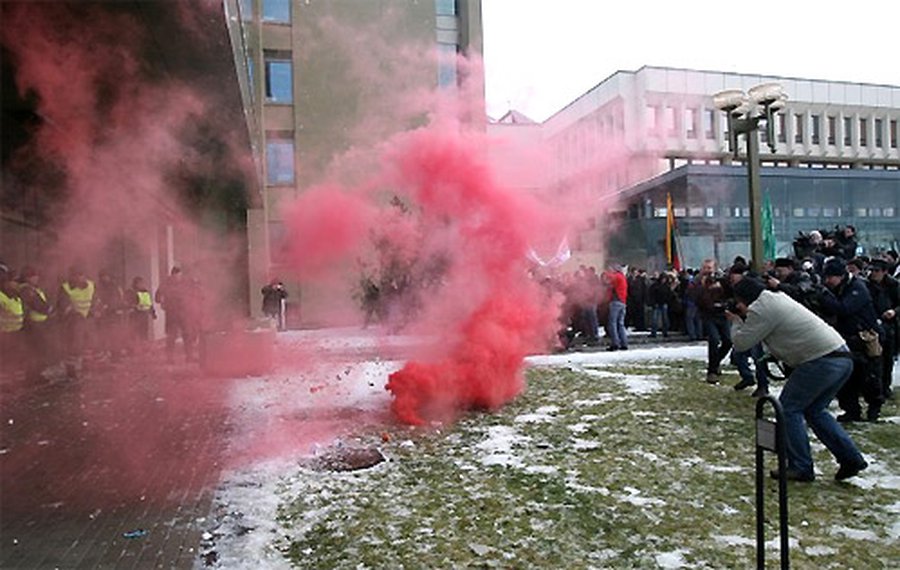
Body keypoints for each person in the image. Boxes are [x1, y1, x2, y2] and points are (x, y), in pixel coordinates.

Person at [727, 277, 868, 482]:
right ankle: (850, 458)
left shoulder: (762, 308)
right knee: (815, 411)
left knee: (788, 409)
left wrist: (736, 321)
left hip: (821, 360)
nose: (737, 305)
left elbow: (741, 343)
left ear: (745, 298)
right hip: (841, 356)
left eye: (738, 301)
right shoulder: (776, 298)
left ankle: (800, 466)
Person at [818, 258, 884, 422]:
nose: (827, 281)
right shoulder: (840, 288)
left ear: (840, 276)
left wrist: (824, 297)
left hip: (864, 338)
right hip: (845, 338)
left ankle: (874, 408)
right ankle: (851, 410)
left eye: (830, 277)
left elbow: (844, 309)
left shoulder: (857, 288)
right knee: (845, 378)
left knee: (868, 377)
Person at [866, 258, 898, 399]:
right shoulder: (866, 285)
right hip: (872, 322)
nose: (873, 273)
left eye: (877, 271)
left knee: (887, 357)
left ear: (884, 272)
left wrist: (894, 311)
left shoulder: (893, 285)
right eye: (872, 270)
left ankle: (885, 386)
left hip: (889, 323)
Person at [57, 265, 96, 379]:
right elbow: (63, 305)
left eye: (81, 275)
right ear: (72, 276)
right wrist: (72, 314)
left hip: (88, 318)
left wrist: (95, 310)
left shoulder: (91, 285)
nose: (79, 278)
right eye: (76, 275)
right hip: (73, 321)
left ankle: (87, 366)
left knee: (89, 343)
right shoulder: (66, 288)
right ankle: (71, 370)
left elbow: (95, 299)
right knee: (74, 345)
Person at [697, 258, 731, 383]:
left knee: (728, 341)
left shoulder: (722, 280)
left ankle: (715, 363)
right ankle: (712, 371)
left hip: (722, 314)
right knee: (714, 340)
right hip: (708, 315)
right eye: (705, 268)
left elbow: (729, 292)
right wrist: (704, 287)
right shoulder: (698, 282)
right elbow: (697, 299)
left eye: (710, 268)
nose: (708, 271)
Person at [18, 266, 54, 381]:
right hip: (33, 324)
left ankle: (36, 374)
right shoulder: (26, 290)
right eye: (33, 276)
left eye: (36, 275)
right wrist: (48, 309)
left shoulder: (33, 288)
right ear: (27, 277)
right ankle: (32, 375)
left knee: (39, 350)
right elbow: (36, 304)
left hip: (39, 323)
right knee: (36, 350)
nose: (36, 278)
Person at [155, 266, 196, 363]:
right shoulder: (166, 284)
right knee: (171, 336)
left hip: (184, 313)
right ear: (172, 275)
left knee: (187, 335)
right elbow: (157, 297)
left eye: (179, 275)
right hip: (172, 313)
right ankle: (170, 358)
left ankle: (189, 357)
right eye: (176, 275)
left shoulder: (185, 283)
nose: (177, 277)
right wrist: (161, 300)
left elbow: (192, 294)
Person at [126, 276, 156, 349]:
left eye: (142, 283)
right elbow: (128, 303)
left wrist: (153, 313)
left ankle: (143, 348)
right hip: (135, 315)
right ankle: (134, 348)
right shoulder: (131, 292)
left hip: (144, 315)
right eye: (140, 283)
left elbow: (149, 303)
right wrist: (133, 307)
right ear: (136, 284)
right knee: (134, 332)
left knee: (144, 332)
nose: (142, 284)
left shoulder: (145, 292)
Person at [604, 263, 628, 351]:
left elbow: (608, 281)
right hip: (622, 302)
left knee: (612, 323)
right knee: (620, 324)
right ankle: (624, 343)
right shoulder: (622, 277)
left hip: (616, 302)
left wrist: (607, 272)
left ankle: (615, 343)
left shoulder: (616, 276)